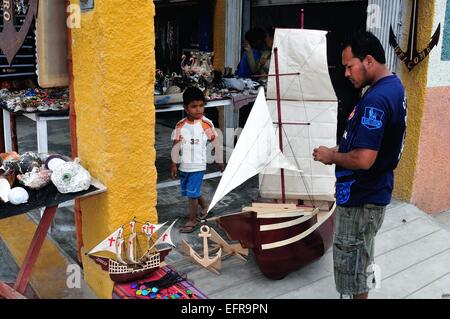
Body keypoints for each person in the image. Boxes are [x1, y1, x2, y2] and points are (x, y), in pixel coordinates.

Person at [312, 30, 407, 299]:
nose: (346, 73)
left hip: (363, 198)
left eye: (348, 66)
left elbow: (364, 159)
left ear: (367, 60)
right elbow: (371, 143)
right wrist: (339, 149)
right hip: (368, 192)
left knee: (353, 266)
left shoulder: (376, 99)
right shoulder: (391, 86)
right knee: (359, 260)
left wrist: (333, 157)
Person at [171, 87, 224, 233]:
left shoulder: (205, 124)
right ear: (186, 108)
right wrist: (174, 164)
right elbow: (176, 145)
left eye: (201, 106)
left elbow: (215, 142)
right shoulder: (180, 125)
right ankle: (205, 207)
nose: (198, 109)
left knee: (191, 195)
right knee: (190, 191)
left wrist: (220, 159)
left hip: (198, 166)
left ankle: (192, 220)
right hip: (184, 165)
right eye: (194, 106)